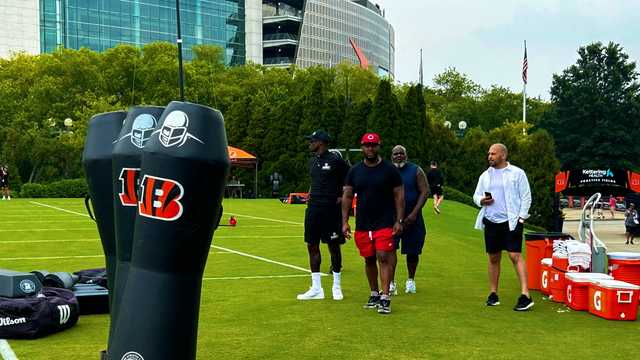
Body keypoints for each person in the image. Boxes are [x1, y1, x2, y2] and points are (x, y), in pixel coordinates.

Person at [342, 133, 404, 314]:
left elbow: (399, 195)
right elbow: (347, 196)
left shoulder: (389, 170)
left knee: (383, 256)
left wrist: (399, 220)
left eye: (373, 145)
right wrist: (344, 221)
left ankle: (385, 297)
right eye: (367, 146)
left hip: (385, 222)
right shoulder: (354, 171)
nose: (370, 149)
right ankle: (374, 293)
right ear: (362, 147)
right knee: (369, 259)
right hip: (363, 223)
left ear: (379, 146)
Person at [473, 143, 533, 311]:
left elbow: (526, 196)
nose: (489, 156)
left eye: (493, 154)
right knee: (493, 258)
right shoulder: (485, 175)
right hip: (491, 221)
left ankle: (525, 295)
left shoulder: (517, 173)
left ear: (503, 156)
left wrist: (521, 218)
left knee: (514, 255)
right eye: (489, 154)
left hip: (511, 221)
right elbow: (476, 195)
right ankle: (493, 294)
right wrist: (481, 201)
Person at [297, 130, 349, 300]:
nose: (309, 143)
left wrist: (342, 195)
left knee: (333, 246)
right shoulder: (312, 161)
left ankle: (337, 285)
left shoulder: (336, 161)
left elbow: (350, 179)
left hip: (331, 210)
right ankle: (317, 288)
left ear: (321, 142)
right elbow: (315, 182)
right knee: (312, 245)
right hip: (313, 209)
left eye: (312, 140)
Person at [389, 145, 429, 295]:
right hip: (392, 218)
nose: (399, 156)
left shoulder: (416, 170)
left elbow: (424, 191)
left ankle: (410, 280)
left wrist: (414, 213)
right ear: (391, 156)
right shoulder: (388, 171)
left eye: (401, 153)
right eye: (396, 153)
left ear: (406, 155)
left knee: (413, 251)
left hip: (413, 218)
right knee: (389, 249)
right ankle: (391, 283)